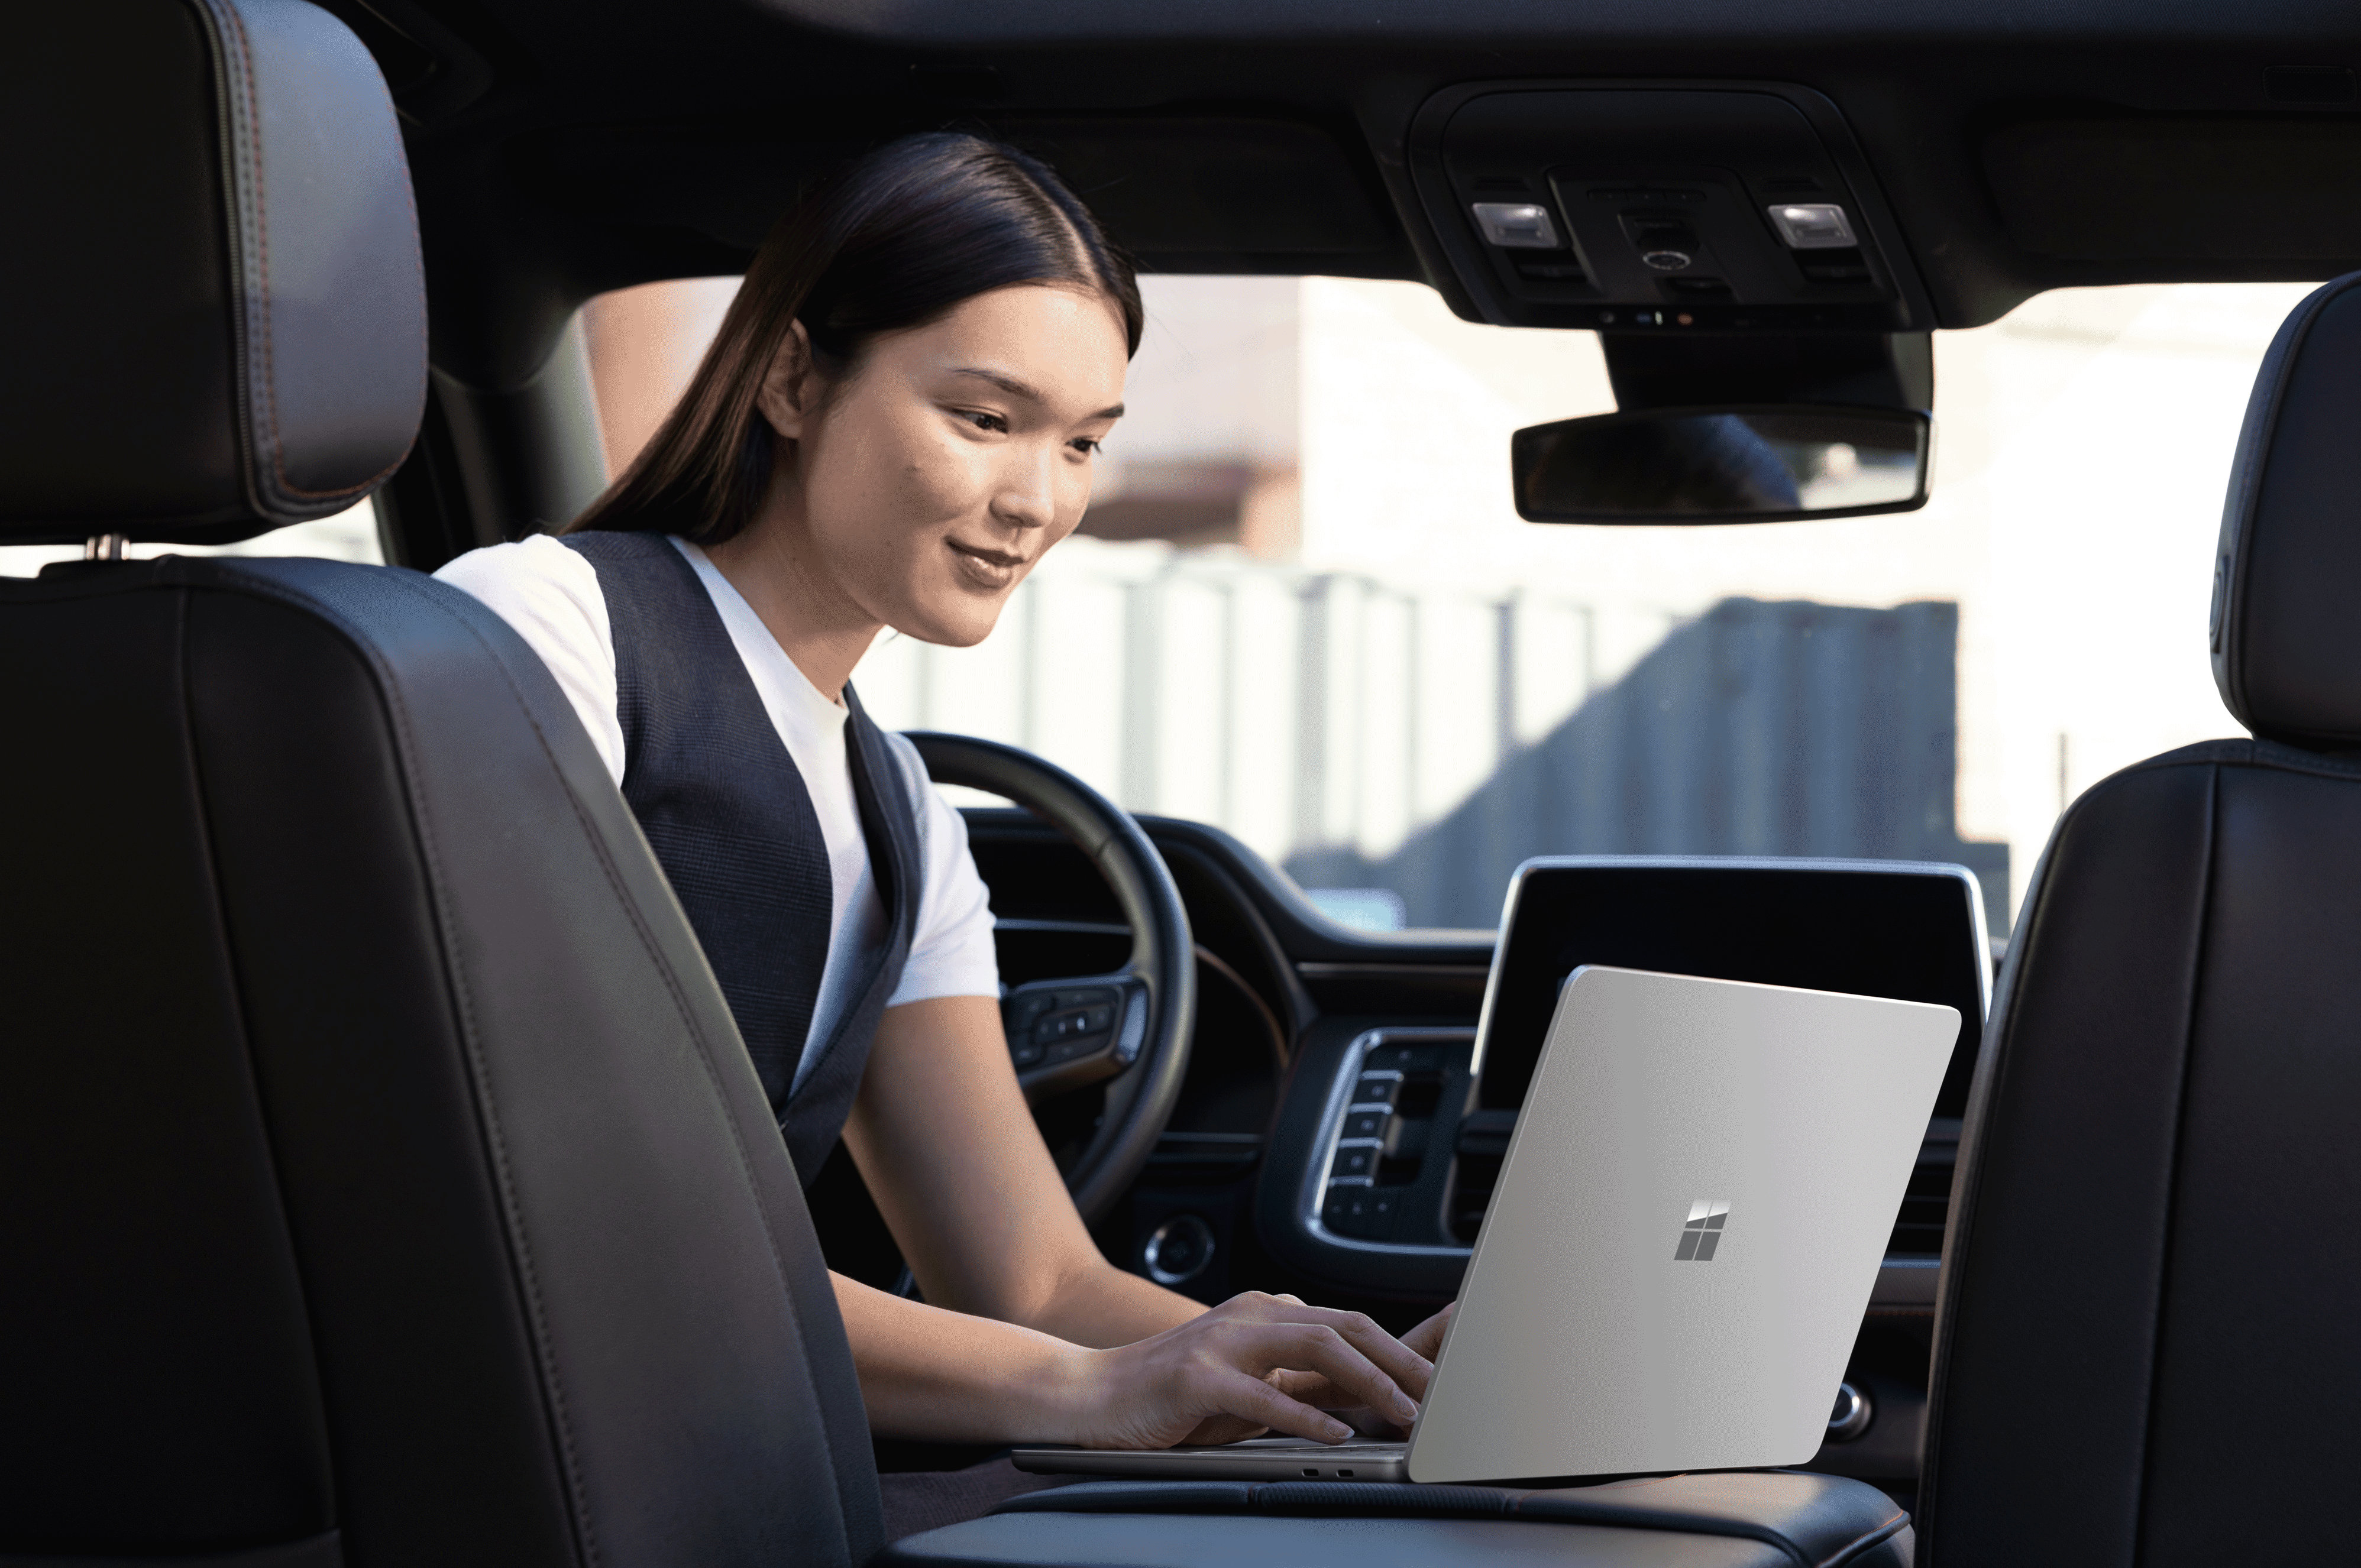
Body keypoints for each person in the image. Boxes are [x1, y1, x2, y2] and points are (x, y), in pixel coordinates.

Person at [436, 132, 1449, 1482]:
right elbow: (550, 1213)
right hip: (491, 1461)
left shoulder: (901, 811)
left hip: (699, 1465)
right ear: (795, 378)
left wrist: (1352, 1385)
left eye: (1082, 441)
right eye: (984, 420)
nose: (1037, 500)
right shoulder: (552, 630)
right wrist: (1089, 1391)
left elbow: (1031, 1282)